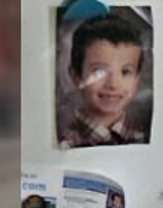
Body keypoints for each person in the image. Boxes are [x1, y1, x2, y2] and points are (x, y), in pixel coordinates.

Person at [59, 14, 149, 148]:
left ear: (137, 79)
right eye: (99, 71)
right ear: (76, 75)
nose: (113, 84)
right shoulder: (62, 142)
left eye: (125, 72)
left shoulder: (143, 137)